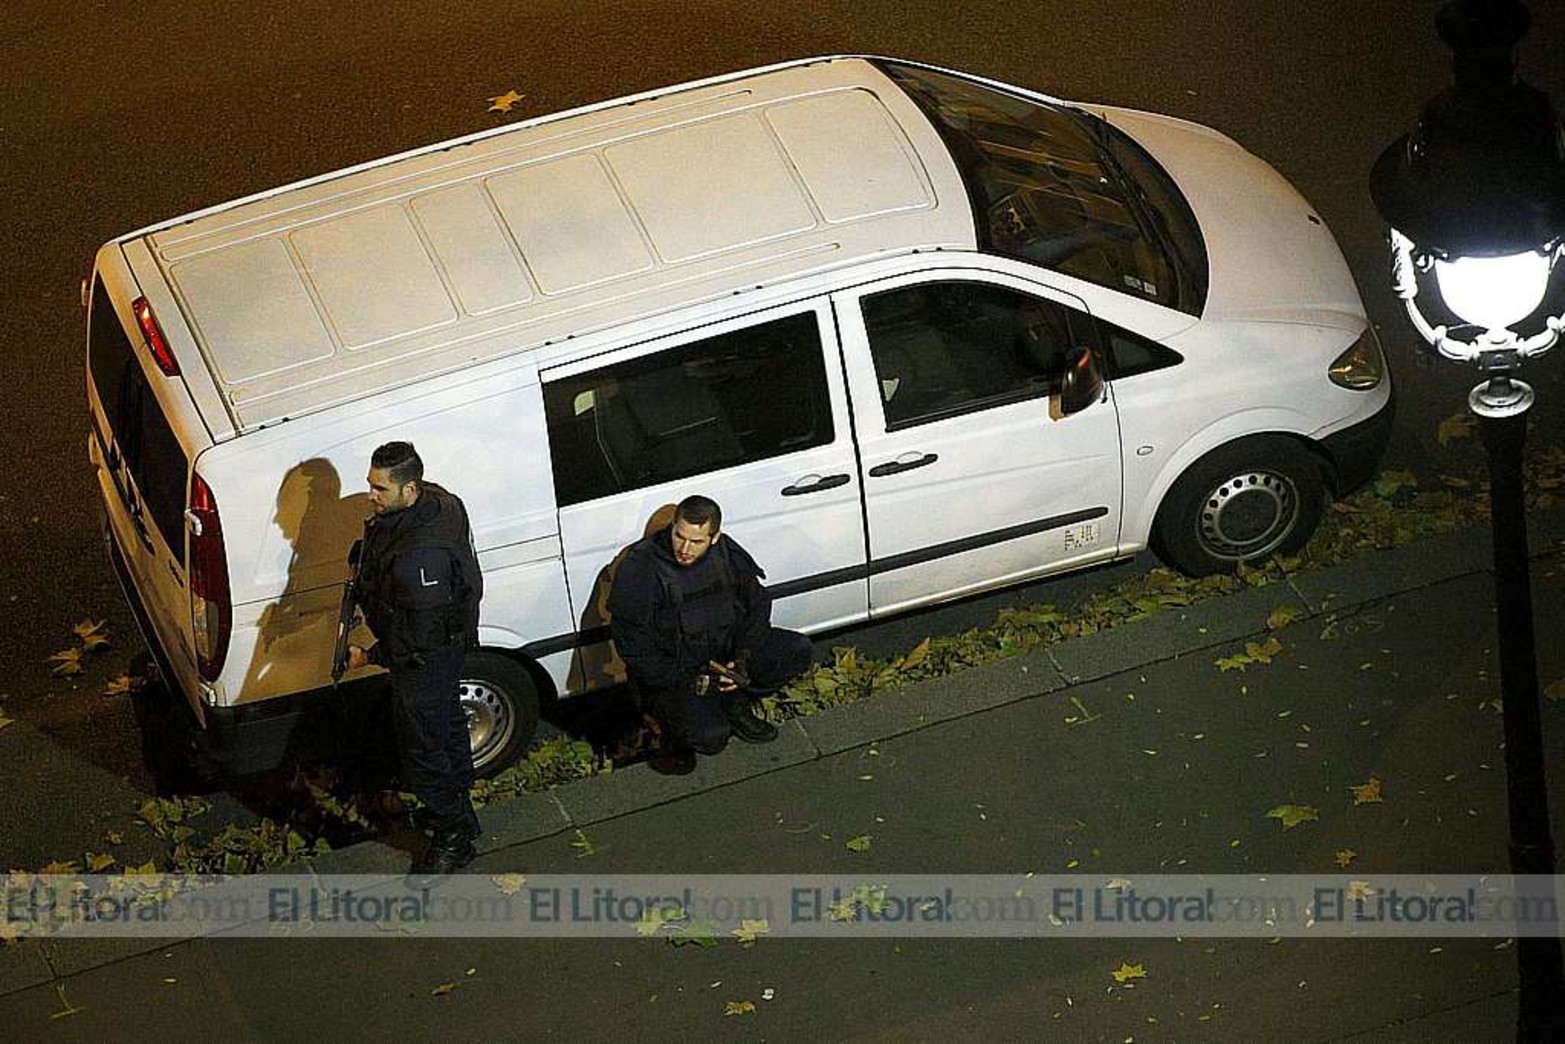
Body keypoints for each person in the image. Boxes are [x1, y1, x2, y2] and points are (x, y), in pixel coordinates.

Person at [345, 441, 484, 887]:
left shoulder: (420, 558)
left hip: (424, 661)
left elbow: (414, 638)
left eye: (380, 489)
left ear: (410, 489)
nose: (371, 496)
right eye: (370, 485)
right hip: (442, 649)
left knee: (425, 753)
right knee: (446, 730)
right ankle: (459, 808)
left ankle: (453, 835)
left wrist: (367, 656)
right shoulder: (438, 502)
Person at [608, 495, 813, 774]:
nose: (684, 549)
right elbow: (635, 649)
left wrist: (742, 658)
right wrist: (689, 677)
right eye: (679, 536)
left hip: (725, 659)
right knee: (711, 737)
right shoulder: (641, 568)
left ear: (714, 537)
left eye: (696, 541)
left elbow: (757, 605)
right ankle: (667, 734)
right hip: (676, 675)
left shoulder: (726, 553)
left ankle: (736, 703)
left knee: (796, 649)